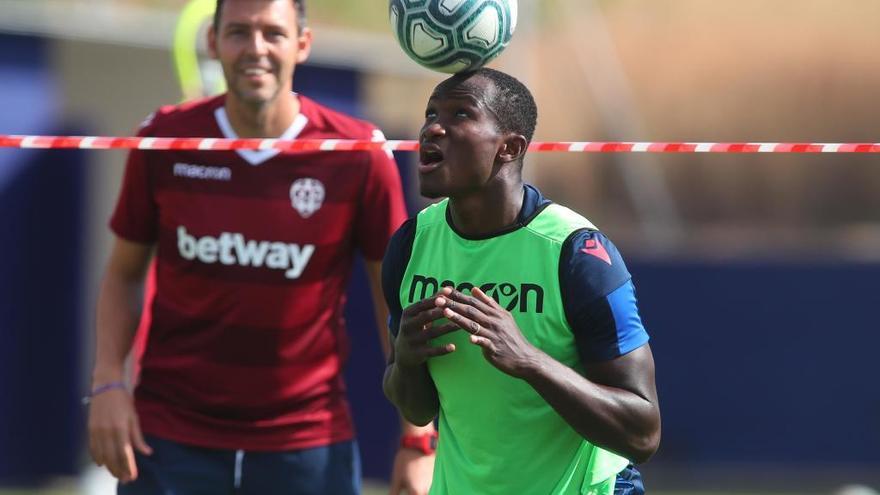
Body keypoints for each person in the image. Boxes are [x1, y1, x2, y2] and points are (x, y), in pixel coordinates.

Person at [86, 0, 436, 493]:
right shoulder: (164, 139)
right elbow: (123, 273)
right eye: (238, 32)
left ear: (302, 44)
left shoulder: (357, 152)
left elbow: (394, 298)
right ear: (212, 41)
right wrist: (107, 383)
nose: (256, 49)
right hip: (168, 438)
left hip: (307, 443)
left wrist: (417, 438)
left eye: (273, 33)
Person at [381, 68, 661, 494]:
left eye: (460, 114)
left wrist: (530, 362)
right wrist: (406, 361)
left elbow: (642, 432)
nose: (432, 128)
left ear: (509, 147)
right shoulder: (410, 245)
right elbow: (417, 409)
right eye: (430, 113)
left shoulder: (576, 253)